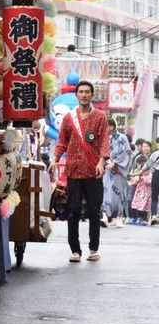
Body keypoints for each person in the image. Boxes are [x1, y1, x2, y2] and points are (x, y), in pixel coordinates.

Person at [51, 80, 109, 263]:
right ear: (76, 95)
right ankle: (75, 250)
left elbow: (104, 142)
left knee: (94, 211)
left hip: (93, 172)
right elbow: (61, 141)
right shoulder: (69, 118)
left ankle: (93, 249)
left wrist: (101, 162)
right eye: (81, 92)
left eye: (87, 92)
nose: (84, 95)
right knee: (73, 211)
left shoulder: (100, 117)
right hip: (74, 172)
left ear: (92, 95)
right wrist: (55, 158)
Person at [101, 118, 130, 227]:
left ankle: (118, 217)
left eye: (106, 126)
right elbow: (101, 152)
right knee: (105, 193)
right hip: (107, 169)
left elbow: (126, 152)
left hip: (118, 169)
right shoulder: (104, 139)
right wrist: (105, 163)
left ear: (112, 126)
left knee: (118, 194)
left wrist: (115, 163)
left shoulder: (123, 138)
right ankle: (104, 216)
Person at [128, 140, 153, 225]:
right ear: (141, 148)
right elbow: (134, 168)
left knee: (145, 203)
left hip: (146, 187)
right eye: (144, 146)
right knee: (133, 200)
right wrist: (132, 177)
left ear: (150, 147)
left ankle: (143, 218)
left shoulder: (152, 157)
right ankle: (133, 217)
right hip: (137, 183)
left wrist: (144, 174)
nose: (145, 148)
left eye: (147, 146)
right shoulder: (138, 157)